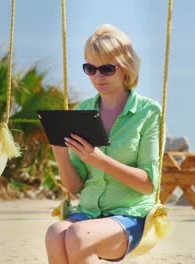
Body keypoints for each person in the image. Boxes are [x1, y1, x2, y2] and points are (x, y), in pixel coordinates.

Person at [45, 24, 162, 263]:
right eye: (90, 68)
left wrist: (99, 160)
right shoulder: (83, 111)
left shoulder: (147, 112)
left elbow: (149, 184)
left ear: (125, 68)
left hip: (130, 215)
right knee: (55, 233)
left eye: (107, 69)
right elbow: (75, 189)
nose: (97, 76)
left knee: (78, 235)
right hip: (88, 212)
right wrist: (60, 154)